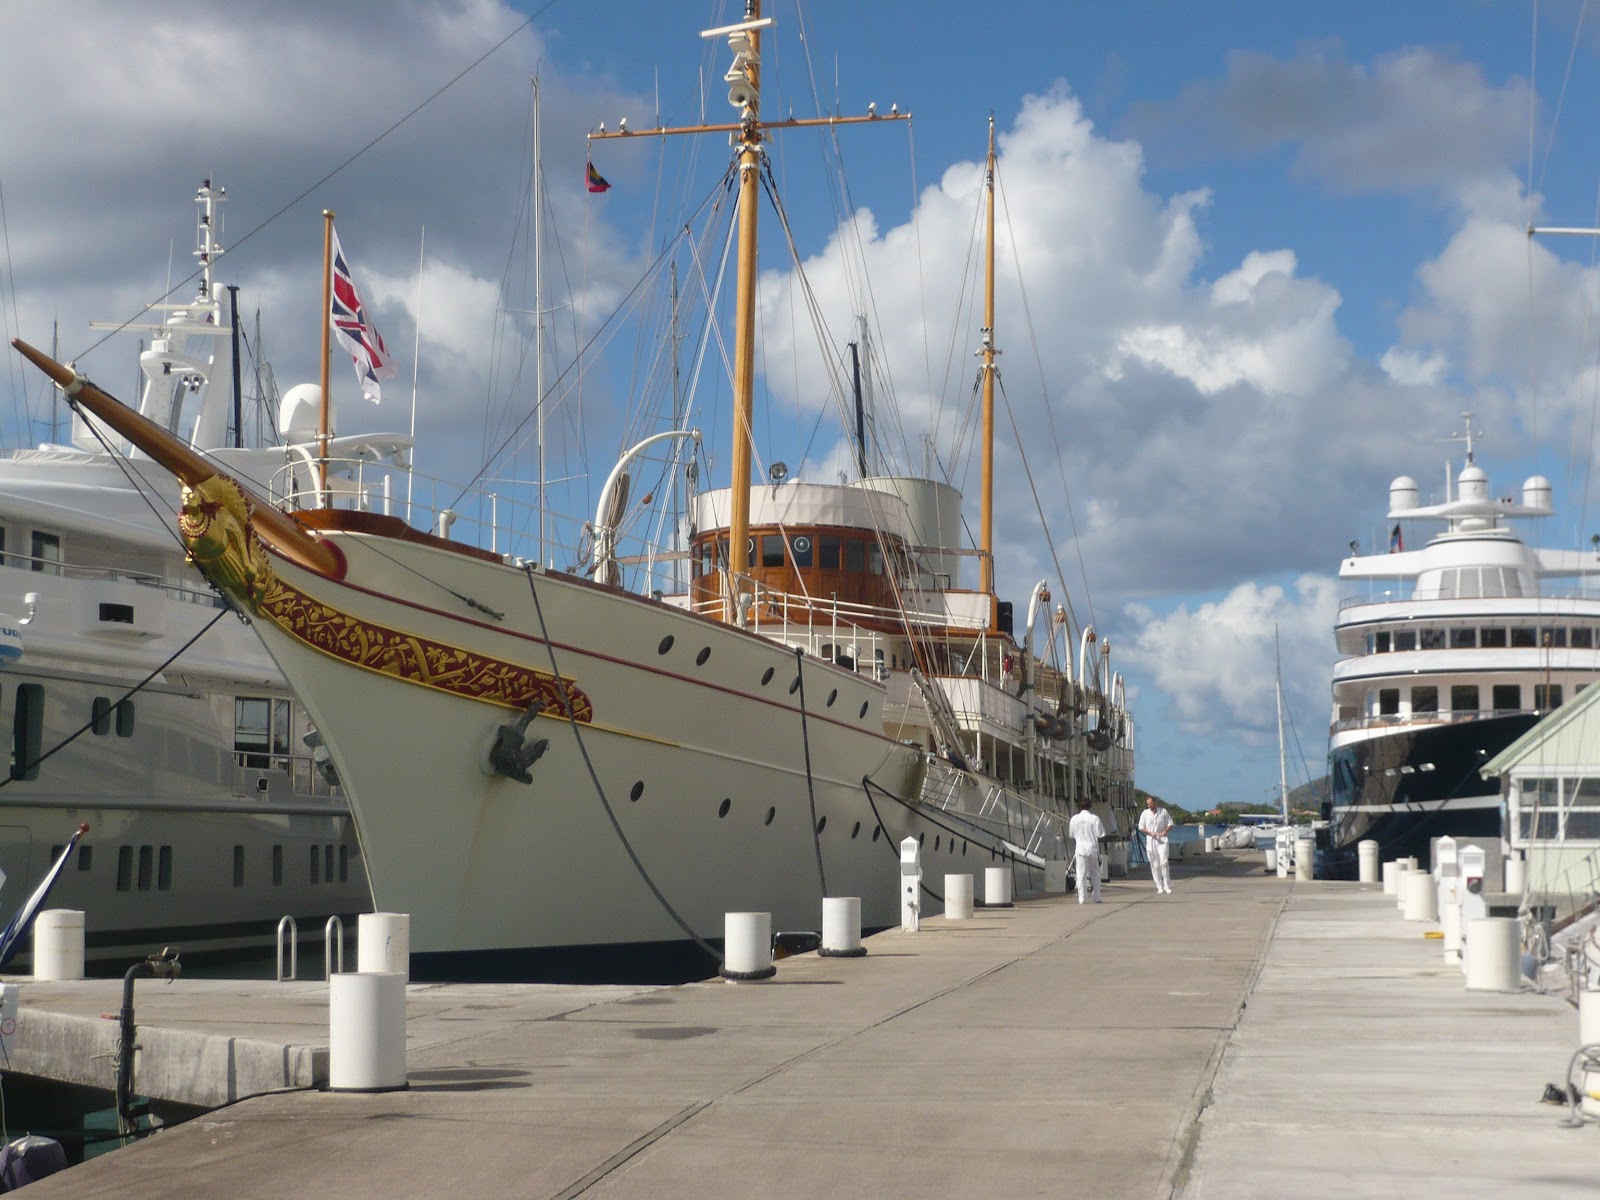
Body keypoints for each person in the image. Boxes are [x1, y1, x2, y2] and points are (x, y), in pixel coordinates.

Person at [1068, 797, 1106, 904]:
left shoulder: (1074, 819)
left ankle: (1082, 898)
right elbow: (1101, 834)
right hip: (1092, 847)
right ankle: (1097, 897)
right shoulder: (1094, 818)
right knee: (1095, 873)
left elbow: (1071, 834)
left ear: (1079, 807)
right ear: (1090, 806)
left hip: (1080, 848)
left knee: (1081, 874)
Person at [1138, 794, 1173, 894]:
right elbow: (1141, 827)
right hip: (1151, 840)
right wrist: (1150, 833)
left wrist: (1164, 831)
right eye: (1148, 804)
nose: (1149, 806)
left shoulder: (1163, 812)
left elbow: (1170, 823)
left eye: (1151, 803)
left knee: (1164, 862)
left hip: (1162, 840)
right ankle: (1159, 885)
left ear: (1155, 802)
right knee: (1154, 864)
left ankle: (1166, 884)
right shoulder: (1145, 813)